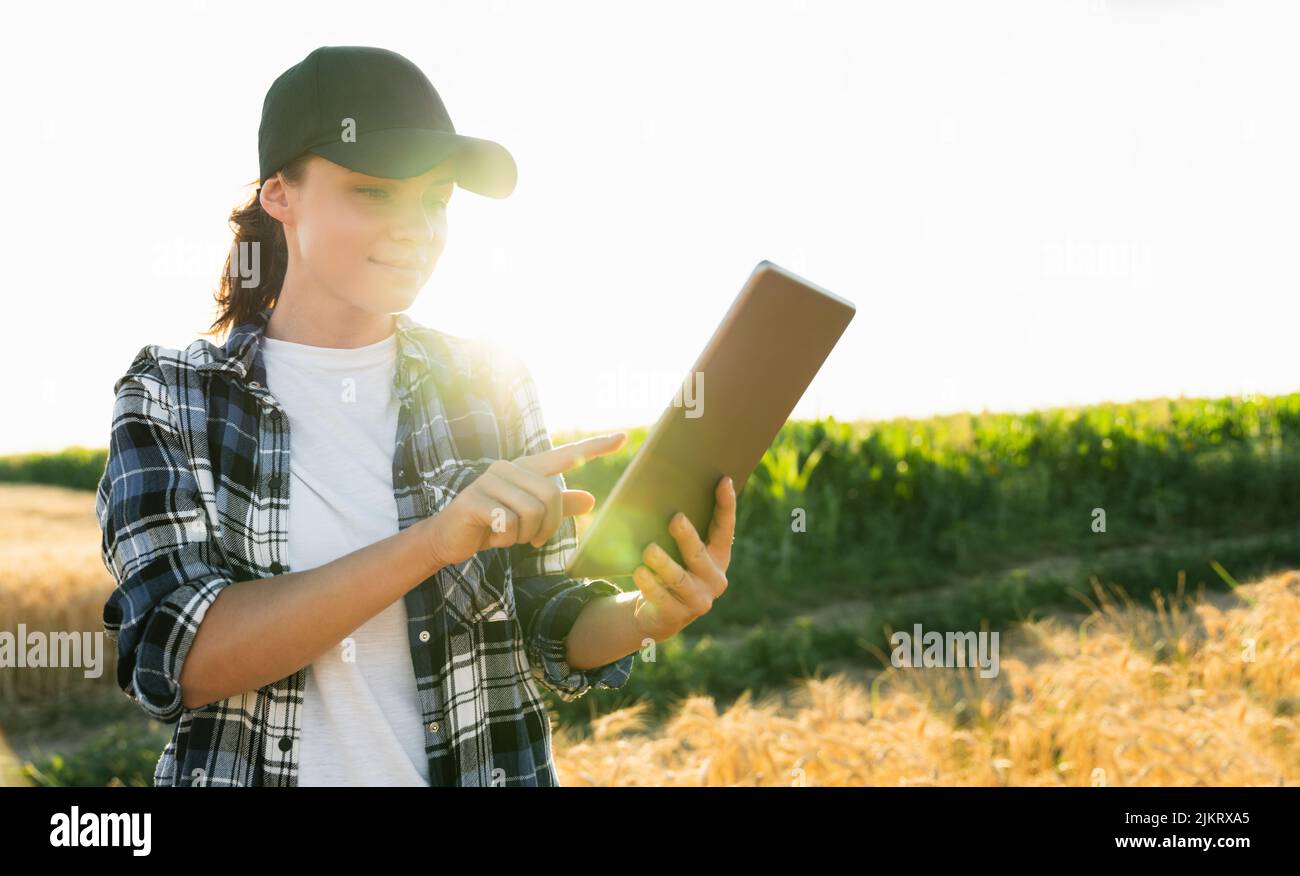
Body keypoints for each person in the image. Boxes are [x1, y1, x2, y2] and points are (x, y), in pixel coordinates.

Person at [95, 45, 737, 787]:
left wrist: (643, 616)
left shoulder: (488, 384)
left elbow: (544, 613)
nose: (417, 229)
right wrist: (433, 541)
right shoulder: (172, 395)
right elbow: (182, 660)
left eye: (435, 201)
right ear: (280, 193)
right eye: (374, 193)